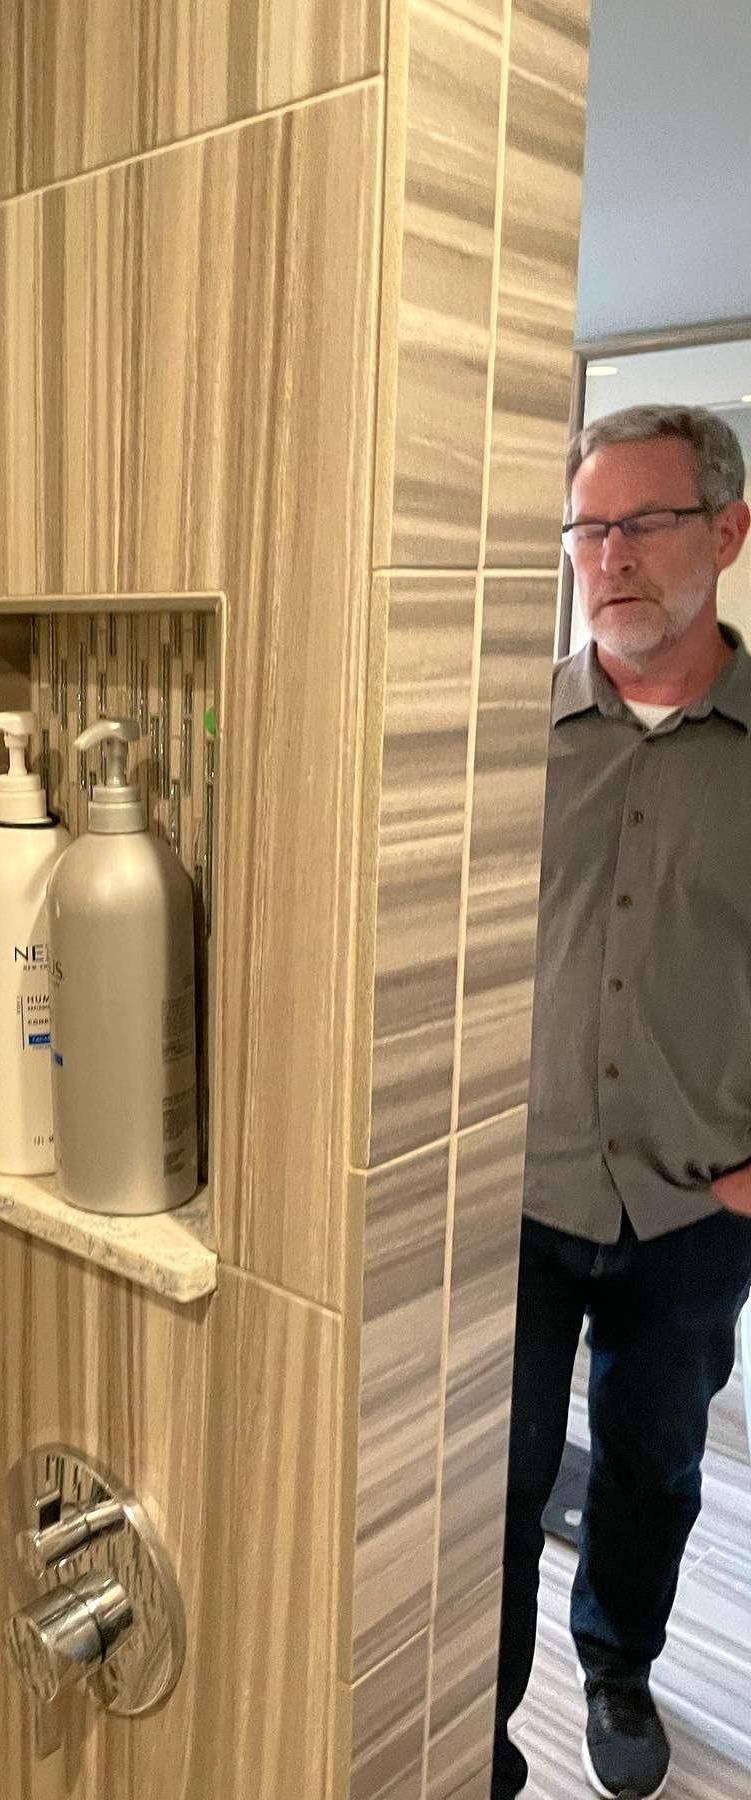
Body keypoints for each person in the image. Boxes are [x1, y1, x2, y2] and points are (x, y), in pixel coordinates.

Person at [494, 403, 751, 1800]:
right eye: (589, 527)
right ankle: (473, 1735)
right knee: (501, 1481)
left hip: (696, 1207)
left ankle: (621, 1666)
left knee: (651, 1472)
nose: (609, 554)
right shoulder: (509, 738)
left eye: (642, 522)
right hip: (517, 1199)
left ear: (728, 530)